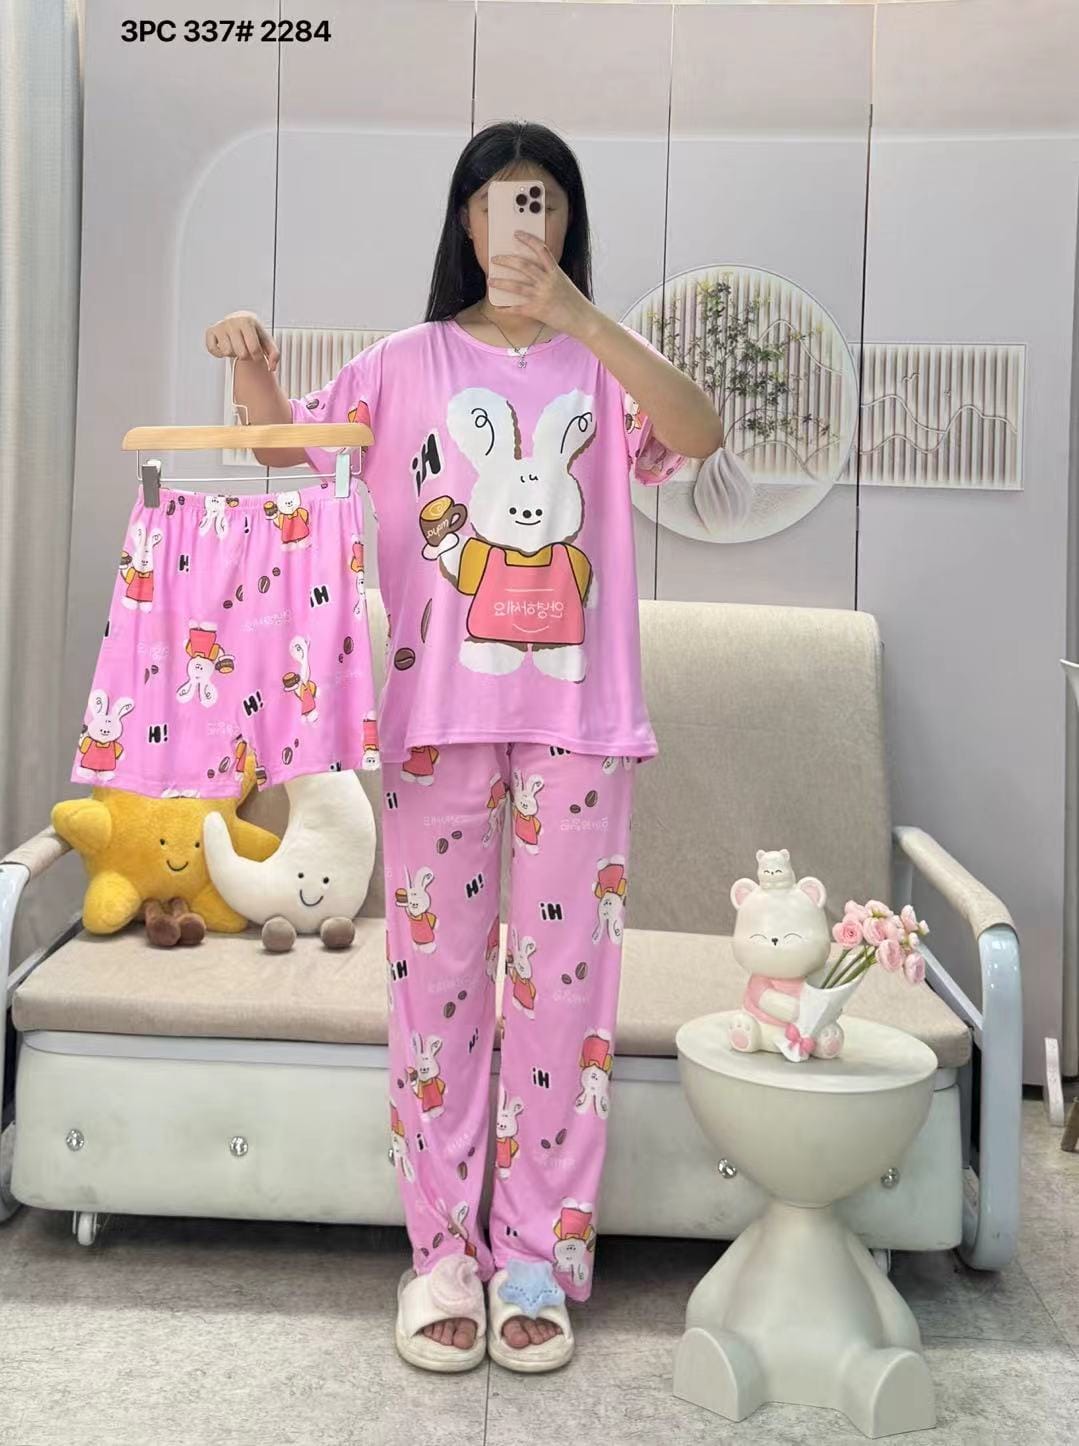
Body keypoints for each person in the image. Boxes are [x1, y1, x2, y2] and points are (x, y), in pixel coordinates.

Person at [205, 120, 724, 1375]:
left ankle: (535, 1259)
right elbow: (285, 449)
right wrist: (252, 366)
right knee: (434, 996)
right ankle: (441, 1253)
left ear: (565, 221)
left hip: (579, 728)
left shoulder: (604, 366)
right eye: (499, 198)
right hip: (434, 721)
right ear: (465, 221)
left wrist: (585, 319)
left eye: (542, 198)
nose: (520, 220)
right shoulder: (405, 363)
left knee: (562, 1001)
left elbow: (697, 434)